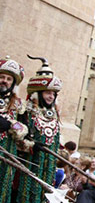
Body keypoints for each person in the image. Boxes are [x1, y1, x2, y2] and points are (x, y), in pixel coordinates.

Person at [16, 56, 63, 203]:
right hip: (28, 163)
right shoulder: (25, 113)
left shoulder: (55, 117)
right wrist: (30, 146)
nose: (51, 96)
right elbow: (17, 137)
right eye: (48, 93)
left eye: (53, 94)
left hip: (48, 167)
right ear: (38, 93)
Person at [0, 56, 26, 203]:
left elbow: (24, 128)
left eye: (9, 79)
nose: (5, 81)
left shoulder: (18, 105)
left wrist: (11, 125)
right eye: (2, 77)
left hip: (6, 154)